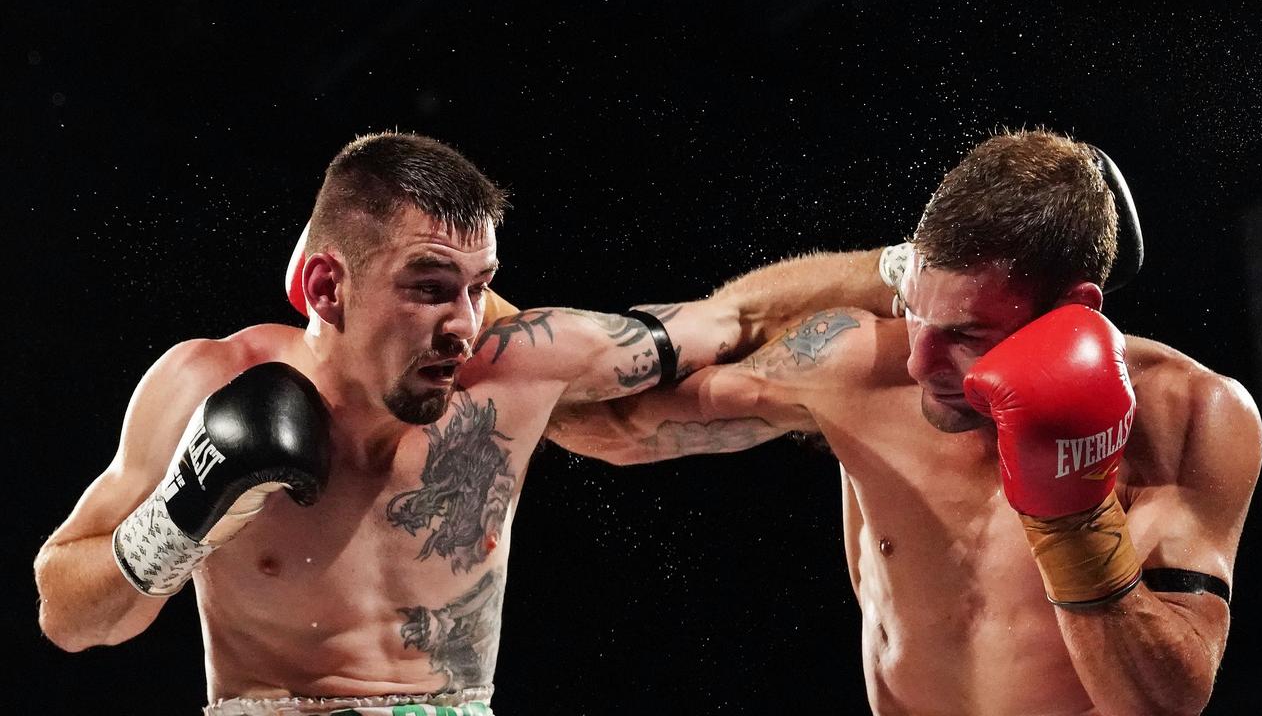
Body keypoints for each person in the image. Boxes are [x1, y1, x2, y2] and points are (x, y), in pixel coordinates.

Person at [33, 131, 897, 715]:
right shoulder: (208, 383)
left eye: (480, 285)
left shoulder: (515, 366)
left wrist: (916, 273)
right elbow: (68, 616)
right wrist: (178, 518)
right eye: (430, 287)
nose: (465, 322)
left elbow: (726, 325)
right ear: (330, 288)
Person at [548, 129, 1262, 716]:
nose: (922, 364)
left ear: (1075, 307)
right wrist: (471, 339)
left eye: (968, 333)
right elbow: (612, 426)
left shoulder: (1190, 417)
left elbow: (1168, 704)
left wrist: (1072, 523)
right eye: (916, 313)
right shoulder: (858, 367)